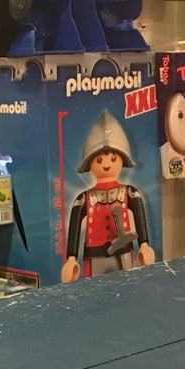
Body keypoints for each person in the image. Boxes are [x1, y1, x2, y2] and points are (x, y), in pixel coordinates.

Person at [61, 110, 155, 281]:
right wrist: (71, 258)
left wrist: (144, 245)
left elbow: (139, 218)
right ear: (90, 162)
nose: (106, 164)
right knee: (94, 291)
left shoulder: (129, 193)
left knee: (127, 288)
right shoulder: (84, 199)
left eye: (112, 158)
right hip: (94, 255)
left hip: (124, 254)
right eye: (99, 160)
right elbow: (74, 227)